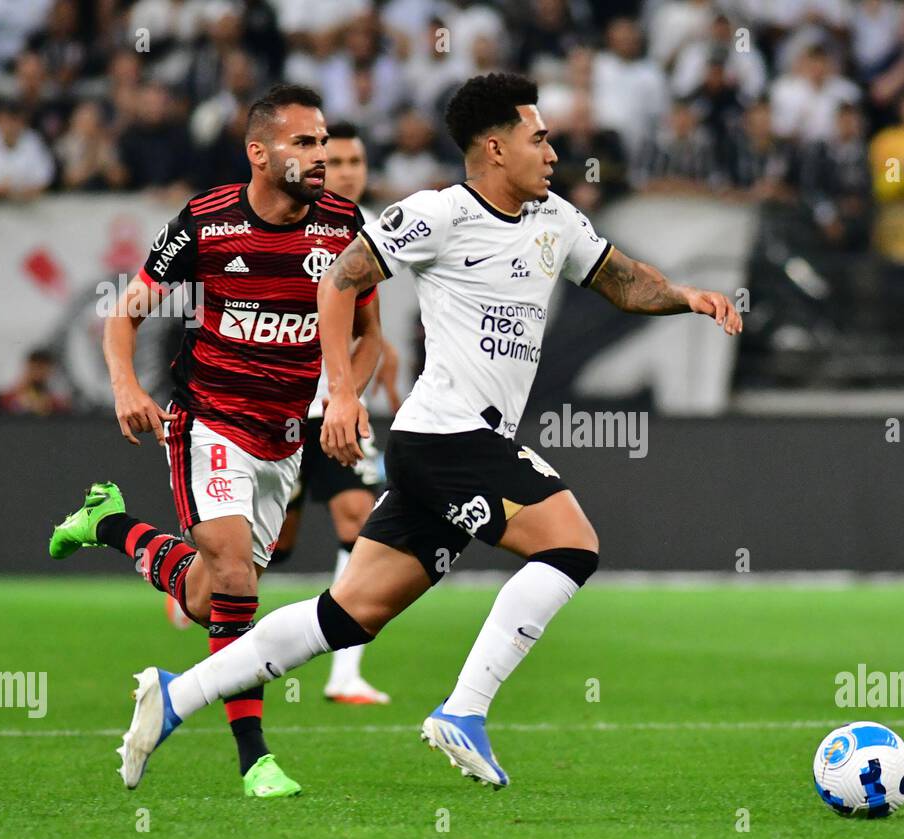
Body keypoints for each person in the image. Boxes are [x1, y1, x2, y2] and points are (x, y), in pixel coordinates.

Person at [115, 72, 742, 792]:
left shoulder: (556, 220)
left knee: (347, 615)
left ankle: (177, 694)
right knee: (572, 543)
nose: (552, 151)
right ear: (497, 149)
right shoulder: (438, 214)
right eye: (539, 138)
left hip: (447, 449)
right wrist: (343, 395)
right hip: (447, 435)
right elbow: (340, 280)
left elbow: (623, 280)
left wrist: (688, 297)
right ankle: (465, 711)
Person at [48, 85, 381, 798]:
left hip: (285, 439)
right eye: (303, 143)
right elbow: (123, 315)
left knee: (206, 597)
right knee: (234, 577)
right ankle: (253, 757)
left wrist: (346, 398)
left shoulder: (345, 227)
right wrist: (126, 388)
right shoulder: (208, 221)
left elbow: (368, 335)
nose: (319, 156)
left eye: (323, 142)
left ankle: (109, 523)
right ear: (259, 153)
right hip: (209, 419)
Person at [269, 120, 400, 706]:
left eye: (355, 161)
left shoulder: (367, 230)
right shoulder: (286, 216)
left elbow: (369, 323)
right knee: (276, 546)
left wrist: (357, 390)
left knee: (358, 518)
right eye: (336, 160)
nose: (346, 171)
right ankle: (189, 568)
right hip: (274, 407)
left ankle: (344, 673)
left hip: (333, 408)